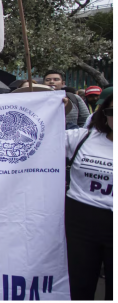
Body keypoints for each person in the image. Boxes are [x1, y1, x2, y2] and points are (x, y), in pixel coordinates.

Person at [64, 94, 113, 300]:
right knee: (79, 285)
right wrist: (54, 110)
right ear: (104, 114)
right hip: (81, 220)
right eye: (112, 111)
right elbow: (40, 138)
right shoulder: (83, 137)